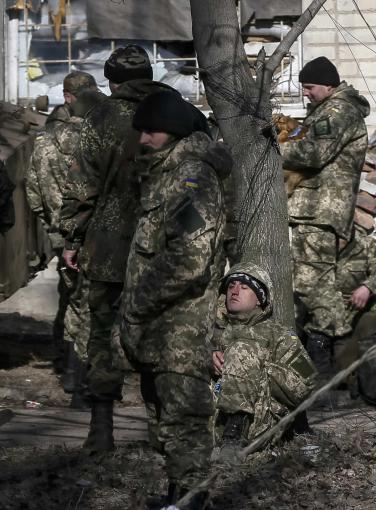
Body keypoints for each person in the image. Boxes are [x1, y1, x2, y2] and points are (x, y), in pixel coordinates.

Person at [59, 45, 176, 452]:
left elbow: (81, 187)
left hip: (109, 246)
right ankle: (160, 433)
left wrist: (72, 238)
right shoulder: (176, 111)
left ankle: (102, 429)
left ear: (110, 80)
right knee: (159, 334)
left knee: (103, 337)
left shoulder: (102, 117)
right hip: (165, 245)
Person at [117, 90, 228, 509]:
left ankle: (190, 502)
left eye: (151, 131)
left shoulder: (192, 179)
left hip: (180, 333)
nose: (143, 139)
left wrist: (136, 305)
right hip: (157, 330)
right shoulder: (165, 173)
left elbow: (189, 258)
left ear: (175, 132)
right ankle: (176, 499)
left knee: (185, 429)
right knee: (164, 429)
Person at [277, 56, 370, 368]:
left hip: (322, 210)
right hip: (311, 209)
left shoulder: (339, 110)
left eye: (310, 87)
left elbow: (314, 152)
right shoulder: (325, 110)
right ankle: (326, 356)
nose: (306, 93)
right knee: (307, 282)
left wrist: (270, 149)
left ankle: (332, 357)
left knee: (314, 284)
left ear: (329, 86)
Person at [25, 71, 100, 405]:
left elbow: (32, 193)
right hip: (90, 232)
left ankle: (69, 371)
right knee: (86, 306)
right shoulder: (91, 136)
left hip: (61, 235)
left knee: (72, 298)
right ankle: (80, 383)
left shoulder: (44, 140)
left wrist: (53, 225)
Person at [212, 263, 316, 450]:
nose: (235, 291)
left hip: (256, 424)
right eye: (230, 286)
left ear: (260, 299)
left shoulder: (280, 335)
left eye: (244, 287)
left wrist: (257, 366)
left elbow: (307, 382)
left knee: (242, 351)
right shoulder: (213, 334)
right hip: (210, 421)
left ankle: (234, 435)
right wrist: (208, 359)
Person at [300, 226, 376, 377]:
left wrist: (368, 287)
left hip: (348, 321)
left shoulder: (366, 245)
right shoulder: (312, 243)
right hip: (315, 322)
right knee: (317, 376)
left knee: (344, 373)